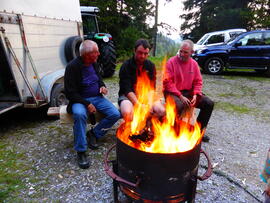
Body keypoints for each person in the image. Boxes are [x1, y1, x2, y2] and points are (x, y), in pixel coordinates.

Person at [64, 40, 121, 169]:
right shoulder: (72, 67)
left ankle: (94, 134)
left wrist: (102, 86)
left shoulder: (93, 63)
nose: (99, 54)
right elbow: (70, 93)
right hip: (79, 100)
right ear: (87, 54)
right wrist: (87, 103)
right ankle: (81, 151)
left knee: (115, 114)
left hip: (96, 97)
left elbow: (99, 79)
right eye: (96, 52)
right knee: (79, 115)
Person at [163, 39, 214, 142]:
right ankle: (173, 131)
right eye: (180, 51)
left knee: (208, 103)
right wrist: (180, 96)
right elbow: (167, 83)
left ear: (192, 52)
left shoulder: (194, 64)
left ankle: (198, 131)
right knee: (180, 105)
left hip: (189, 92)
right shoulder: (171, 62)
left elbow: (198, 82)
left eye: (185, 52)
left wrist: (196, 94)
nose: (181, 54)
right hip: (173, 92)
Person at [118, 39, 165, 121]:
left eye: (145, 53)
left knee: (161, 111)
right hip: (128, 97)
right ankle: (132, 131)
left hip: (146, 96)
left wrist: (149, 104)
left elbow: (152, 88)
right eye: (140, 53)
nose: (143, 56)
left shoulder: (150, 66)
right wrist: (139, 105)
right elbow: (126, 90)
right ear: (134, 50)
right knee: (127, 112)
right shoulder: (126, 66)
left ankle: (148, 127)